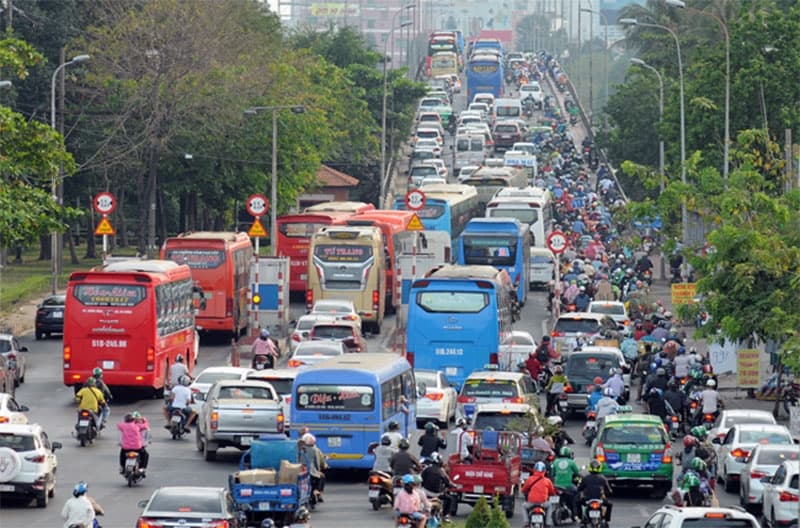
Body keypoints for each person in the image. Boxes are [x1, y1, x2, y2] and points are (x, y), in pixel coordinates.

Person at [551, 447, 581, 522]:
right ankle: (575, 511)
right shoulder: (571, 462)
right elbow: (577, 473)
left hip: (556, 486)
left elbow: (552, 473)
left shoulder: (555, 461)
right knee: (577, 493)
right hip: (568, 486)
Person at [421, 452, 453, 519]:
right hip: (437, 494)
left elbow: (421, 480)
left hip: (426, 492)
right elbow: (448, 482)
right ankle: (445, 516)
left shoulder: (427, 469)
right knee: (450, 499)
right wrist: (452, 485)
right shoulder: (441, 471)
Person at [300, 433, 328, 502]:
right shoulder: (315, 450)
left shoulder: (299, 449)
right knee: (321, 476)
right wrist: (318, 470)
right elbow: (317, 462)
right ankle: (317, 492)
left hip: (300, 470)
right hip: (311, 471)